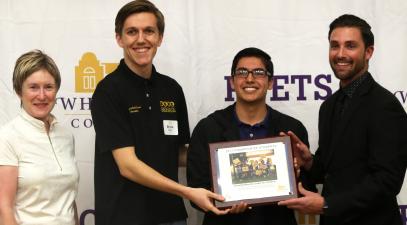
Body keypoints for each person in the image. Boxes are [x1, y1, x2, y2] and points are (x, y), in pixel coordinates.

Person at [90, 1, 227, 225]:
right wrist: (187, 191)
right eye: (132, 32)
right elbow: (128, 166)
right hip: (124, 216)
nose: (141, 39)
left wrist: (229, 160)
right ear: (119, 39)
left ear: (160, 38)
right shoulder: (108, 91)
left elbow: (180, 154)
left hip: (170, 215)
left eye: (149, 31)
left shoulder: (171, 89)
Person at [278, 14, 407, 225]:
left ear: (368, 52)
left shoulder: (384, 106)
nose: (340, 54)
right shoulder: (329, 106)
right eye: (334, 46)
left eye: (350, 46)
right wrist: (310, 162)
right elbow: (334, 170)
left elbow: (387, 182)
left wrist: (327, 204)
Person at [187, 47, 313, 225]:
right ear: (232, 81)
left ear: (270, 83)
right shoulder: (208, 128)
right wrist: (223, 202)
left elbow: (307, 190)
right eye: (242, 72)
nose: (250, 79)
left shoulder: (292, 129)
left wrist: (299, 174)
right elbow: (195, 190)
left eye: (259, 72)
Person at [0, 50, 79, 225]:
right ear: (19, 91)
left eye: (48, 87)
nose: (42, 96)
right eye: (33, 87)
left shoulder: (66, 136)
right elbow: (4, 208)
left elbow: (69, 200)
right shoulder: (7, 137)